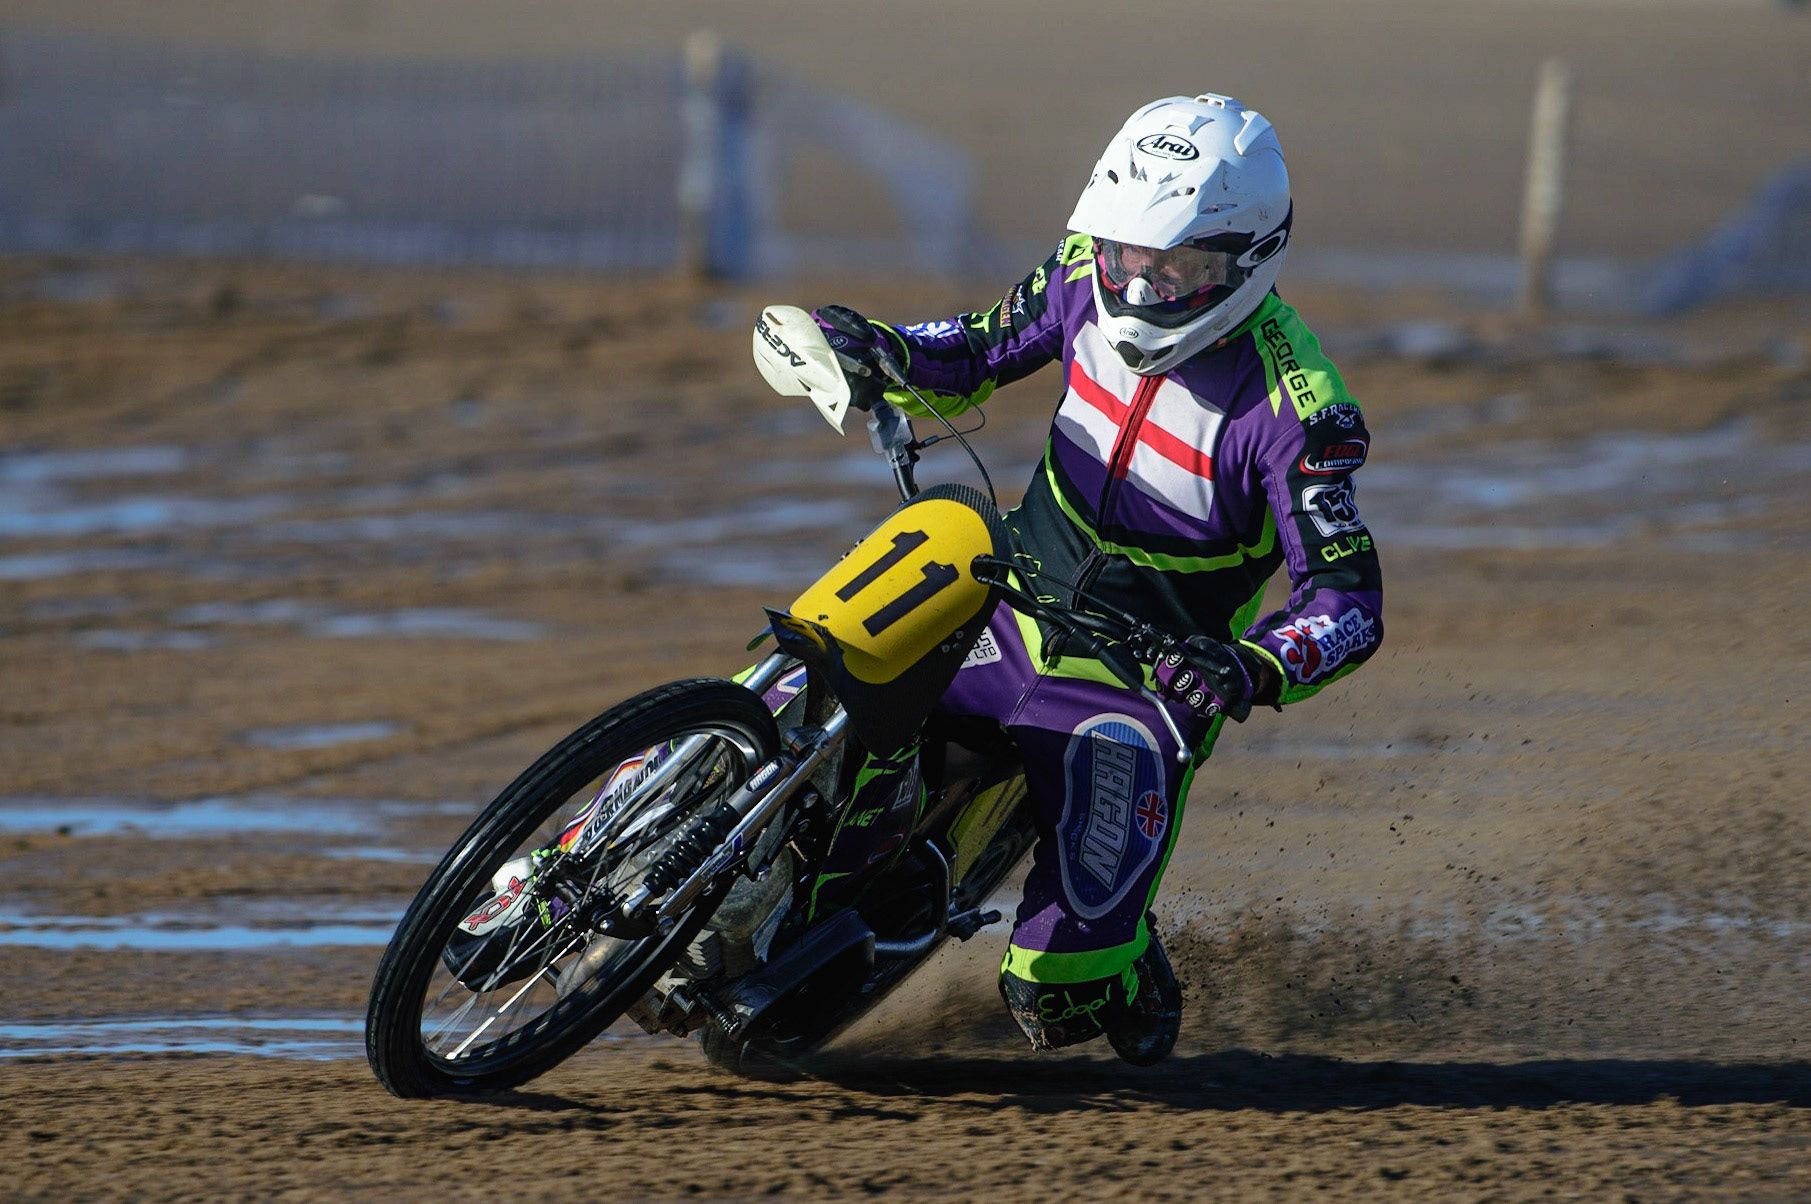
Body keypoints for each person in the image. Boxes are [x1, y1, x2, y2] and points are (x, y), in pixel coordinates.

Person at [807, 93, 1383, 1064]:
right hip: (995, 596)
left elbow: (1346, 603)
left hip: (1136, 680)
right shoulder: (1084, 269)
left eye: (1177, 269)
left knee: (1052, 997)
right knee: (813, 680)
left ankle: (1118, 953)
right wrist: (886, 350)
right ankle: (579, 850)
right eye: (1126, 257)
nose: (1140, 287)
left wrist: (1244, 667)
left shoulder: (1299, 409)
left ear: (1245, 263)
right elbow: (981, 345)